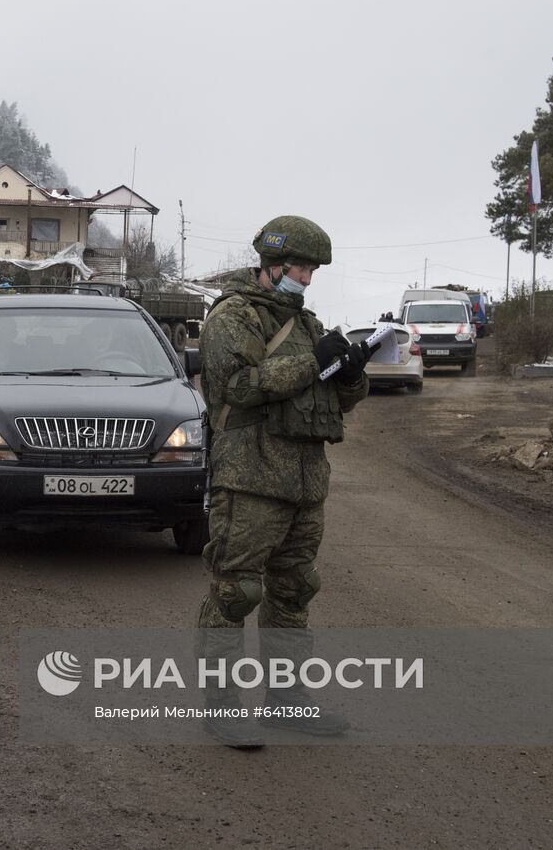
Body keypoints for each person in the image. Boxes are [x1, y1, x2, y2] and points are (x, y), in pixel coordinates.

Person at [195, 215, 375, 748]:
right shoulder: (233, 317)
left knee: (294, 590)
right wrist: (308, 364)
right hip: (250, 479)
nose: (309, 277)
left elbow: (332, 402)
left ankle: (287, 699)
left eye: (314, 269)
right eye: (302, 267)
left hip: (304, 482)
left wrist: (350, 373)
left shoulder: (309, 324)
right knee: (236, 590)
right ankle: (222, 707)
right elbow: (237, 388)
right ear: (273, 266)